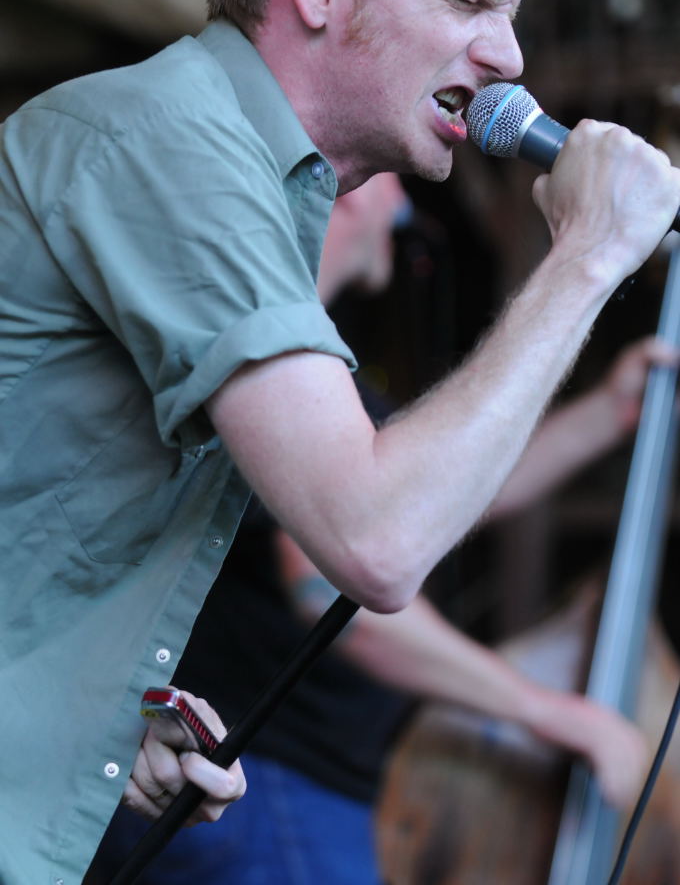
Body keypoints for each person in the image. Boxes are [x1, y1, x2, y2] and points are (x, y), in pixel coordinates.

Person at [2, 0, 680, 882]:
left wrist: (86, 716)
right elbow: (375, 541)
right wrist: (587, 255)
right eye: (467, 1)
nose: (507, 55)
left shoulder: (237, 177)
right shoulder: (173, 143)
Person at [90, 174, 672, 884]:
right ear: (347, 194)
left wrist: (610, 410)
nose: (404, 209)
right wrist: (548, 713)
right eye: (393, 182)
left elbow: (442, 498)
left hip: (271, 787)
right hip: (266, 787)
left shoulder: (313, 375)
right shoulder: (279, 374)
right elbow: (344, 601)